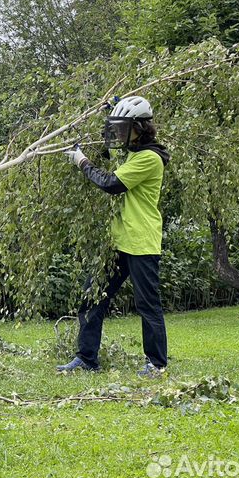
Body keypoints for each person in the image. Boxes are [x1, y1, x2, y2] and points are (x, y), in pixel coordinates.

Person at [56, 96, 171, 378]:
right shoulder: (133, 152)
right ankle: (86, 358)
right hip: (118, 241)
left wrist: (82, 161)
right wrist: (111, 112)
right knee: (92, 297)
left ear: (139, 127)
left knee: (147, 305)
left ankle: (156, 364)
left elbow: (111, 183)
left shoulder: (149, 158)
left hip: (141, 241)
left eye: (123, 127)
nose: (118, 133)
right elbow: (110, 151)